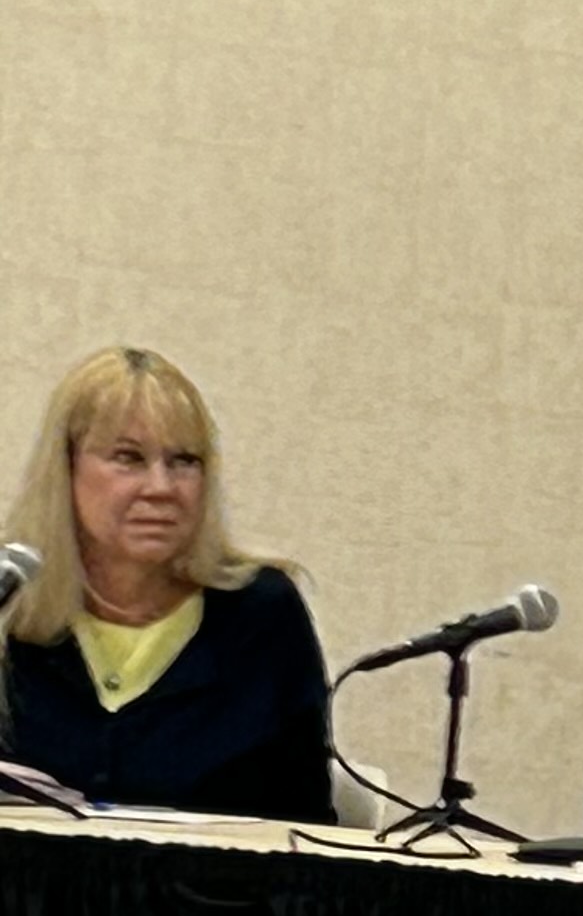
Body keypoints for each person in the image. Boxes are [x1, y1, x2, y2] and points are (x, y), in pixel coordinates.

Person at [0, 344, 334, 823]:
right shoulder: (10, 597)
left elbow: (305, 826)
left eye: (183, 461)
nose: (161, 487)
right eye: (128, 458)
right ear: (66, 469)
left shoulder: (261, 613)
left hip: (212, 895)